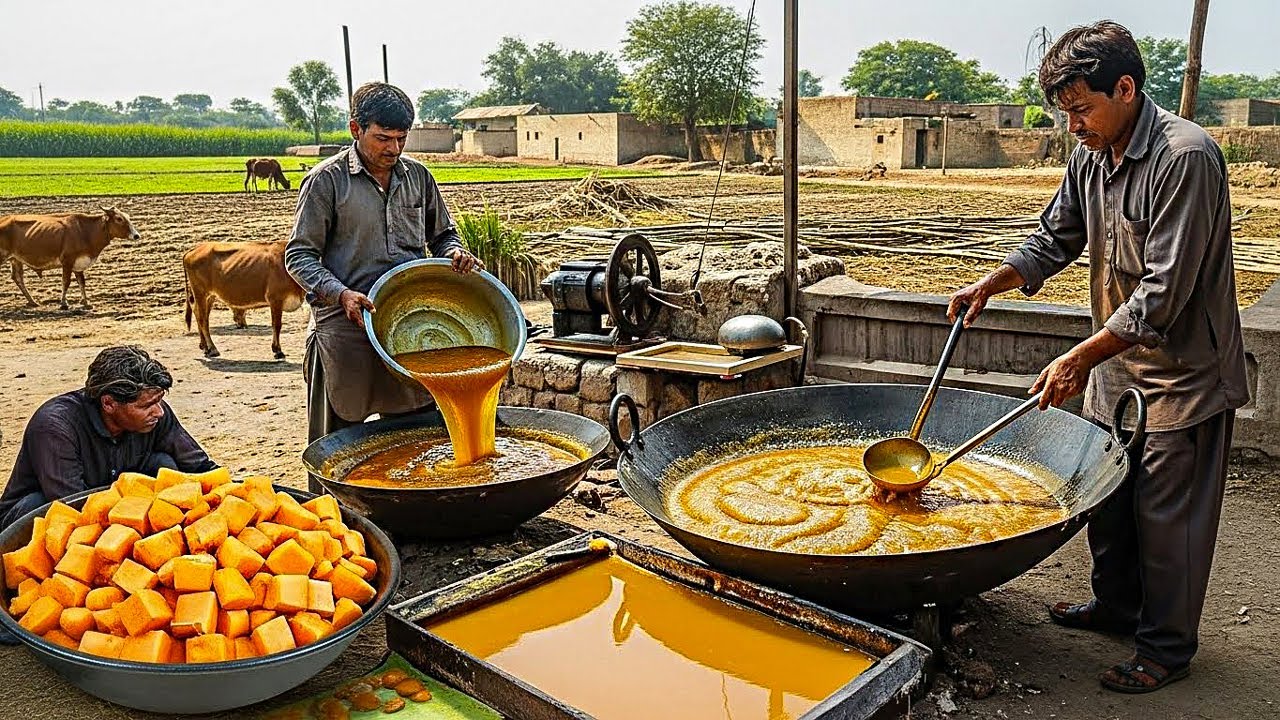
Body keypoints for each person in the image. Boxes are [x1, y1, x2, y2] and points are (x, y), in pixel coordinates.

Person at [948, 21, 1247, 694]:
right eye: (1066, 113)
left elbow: (1163, 294)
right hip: (1116, 367)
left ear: (1126, 88)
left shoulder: (1185, 157)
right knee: (1109, 504)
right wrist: (990, 285)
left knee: (1167, 522)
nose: (1073, 125)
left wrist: (1078, 356)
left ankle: (1165, 649)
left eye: (1082, 109)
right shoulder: (1091, 152)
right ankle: (1116, 609)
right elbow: (1056, 235)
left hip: (1184, 375)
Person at [285, 82, 482, 490]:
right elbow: (299, 256)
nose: (393, 149)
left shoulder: (418, 178)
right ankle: (332, 519)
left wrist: (456, 252)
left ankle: (407, 503)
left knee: (413, 425)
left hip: (406, 324)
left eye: (401, 138)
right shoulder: (326, 182)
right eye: (383, 138)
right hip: (345, 324)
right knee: (336, 433)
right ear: (355, 128)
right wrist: (341, 294)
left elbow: (443, 234)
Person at [0, 346, 216, 530]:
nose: (159, 412)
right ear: (109, 404)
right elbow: (73, 506)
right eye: (147, 406)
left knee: (164, 466)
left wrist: (236, 497)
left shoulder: (156, 415)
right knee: (37, 507)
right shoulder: (55, 426)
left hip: (118, 510)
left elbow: (200, 467)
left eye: (159, 401)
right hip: (53, 521)